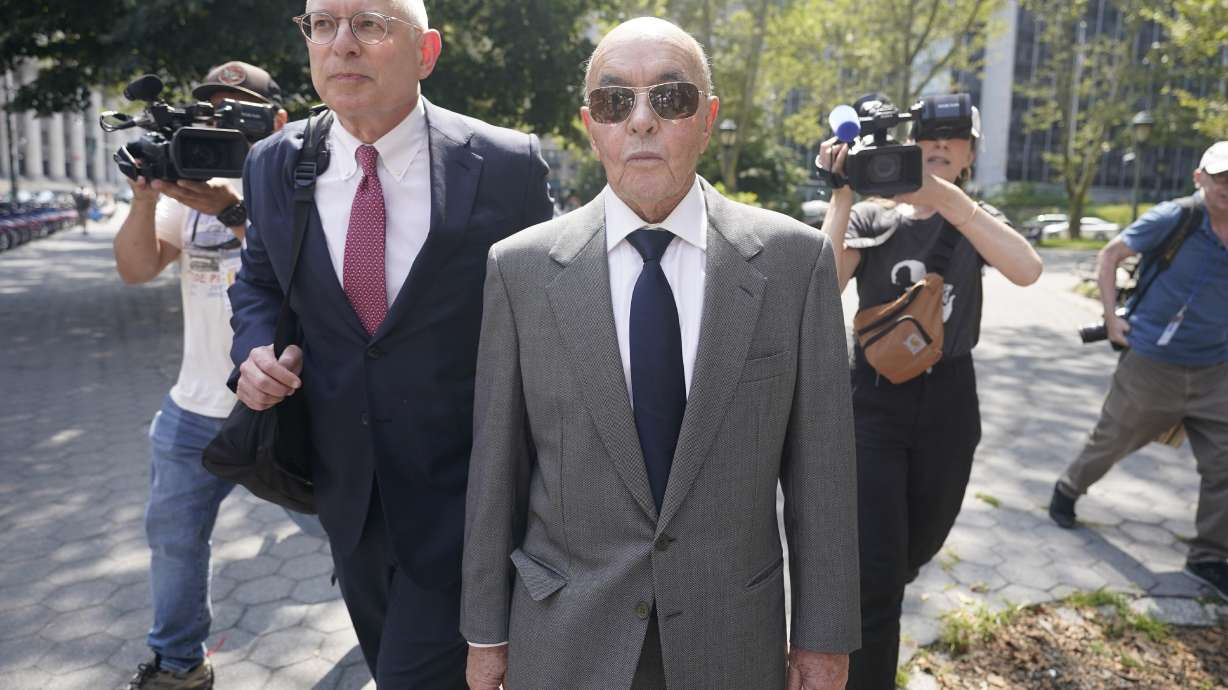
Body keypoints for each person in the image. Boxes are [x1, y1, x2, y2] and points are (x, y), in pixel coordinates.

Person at [462, 17, 860, 690]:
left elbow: (822, 471)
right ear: (590, 125)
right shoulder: (520, 269)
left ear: (707, 118)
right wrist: (485, 632)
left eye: (669, 98)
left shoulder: (796, 262)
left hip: (730, 637)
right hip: (564, 635)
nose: (640, 120)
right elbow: (496, 467)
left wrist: (823, 640)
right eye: (616, 102)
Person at [227, 1, 554, 687]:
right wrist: (252, 353)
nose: (342, 44)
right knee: (390, 661)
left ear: (425, 51)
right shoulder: (272, 165)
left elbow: (549, 311)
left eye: (370, 24)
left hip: (468, 499)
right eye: (323, 25)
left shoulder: (504, 164)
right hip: (345, 494)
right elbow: (258, 280)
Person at [817, 97, 1043, 689]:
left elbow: (1028, 270)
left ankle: (891, 576)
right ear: (909, 144)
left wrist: (948, 202)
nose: (940, 146)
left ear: (971, 153)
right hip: (871, 400)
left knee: (923, 538)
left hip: (949, 400)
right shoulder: (875, 216)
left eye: (954, 138)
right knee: (876, 575)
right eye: (930, 136)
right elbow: (818, 291)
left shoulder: (974, 217)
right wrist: (841, 193)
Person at [112, 62, 291, 690]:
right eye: (210, 109)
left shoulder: (298, 181)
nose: (218, 120)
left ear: (275, 122)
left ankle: (397, 648)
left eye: (235, 111)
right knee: (174, 541)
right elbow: (135, 269)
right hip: (193, 412)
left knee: (356, 538)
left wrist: (235, 209)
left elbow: (311, 277)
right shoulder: (188, 189)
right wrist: (144, 199)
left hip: (290, 407)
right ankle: (179, 665)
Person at [1050, 141, 1228, 600]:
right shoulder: (1177, 218)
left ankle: (1209, 556)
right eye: (1220, 176)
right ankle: (1069, 488)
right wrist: (1112, 319)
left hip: (1216, 370)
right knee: (1111, 440)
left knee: (1224, 465)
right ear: (1200, 178)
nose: (1227, 187)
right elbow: (1109, 255)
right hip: (1152, 364)